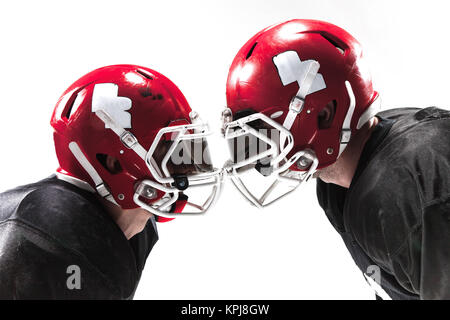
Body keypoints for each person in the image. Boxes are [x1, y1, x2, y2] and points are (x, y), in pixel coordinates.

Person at [221, 19, 450, 299]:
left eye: (266, 130)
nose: (260, 151)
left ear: (325, 114)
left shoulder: (410, 186)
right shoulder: (338, 185)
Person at [0, 64, 222, 299]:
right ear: (112, 162)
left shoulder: (134, 228)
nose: (186, 168)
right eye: (173, 152)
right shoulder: (48, 229)